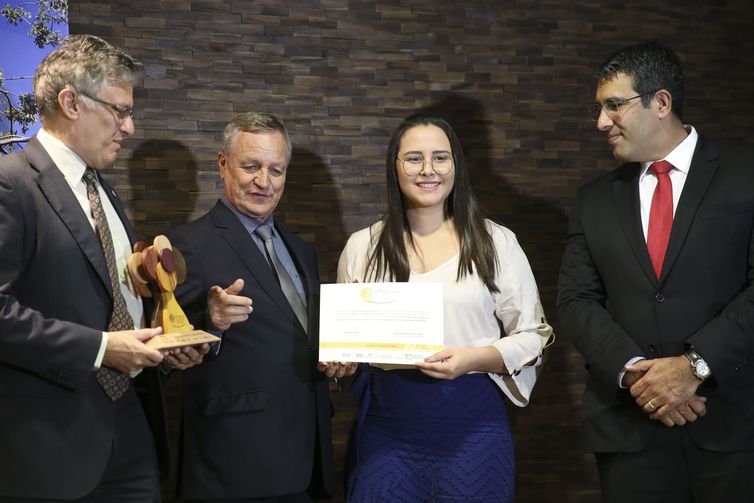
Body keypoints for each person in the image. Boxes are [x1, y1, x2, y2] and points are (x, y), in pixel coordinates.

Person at [0, 34, 205, 502]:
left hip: (131, 426)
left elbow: (112, 300)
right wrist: (99, 349)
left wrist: (161, 342)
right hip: (48, 447)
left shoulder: (103, 190)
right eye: (119, 110)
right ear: (71, 102)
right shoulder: (9, 184)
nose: (130, 127)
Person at [557, 40, 754, 502]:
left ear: (660, 102)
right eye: (599, 109)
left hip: (736, 427)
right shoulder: (593, 201)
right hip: (629, 431)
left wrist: (694, 367)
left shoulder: (747, 175)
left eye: (613, 106)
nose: (601, 122)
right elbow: (575, 300)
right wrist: (640, 378)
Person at [336, 114, 553, 502]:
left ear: (456, 166)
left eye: (440, 158)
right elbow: (347, 347)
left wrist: (473, 359)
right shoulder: (361, 247)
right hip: (387, 425)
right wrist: (339, 362)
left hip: (474, 424)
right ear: (395, 167)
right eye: (414, 158)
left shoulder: (495, 241)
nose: (428, 170)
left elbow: (534, 336)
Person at [164, 112, 333, 502]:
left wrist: (337, 358)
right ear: (222, 165)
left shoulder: (302, 251)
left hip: (309, 457)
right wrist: (212, 323)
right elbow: (163, 350)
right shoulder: (185, 245)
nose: (264, 181)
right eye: (251, 166)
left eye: (276, 170)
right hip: (234, 465)